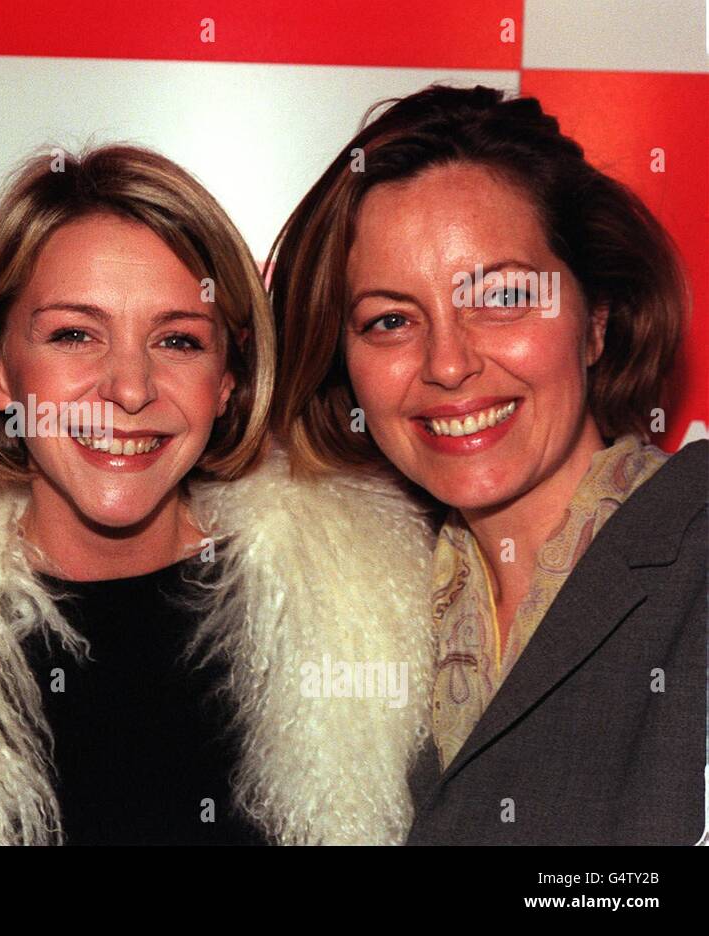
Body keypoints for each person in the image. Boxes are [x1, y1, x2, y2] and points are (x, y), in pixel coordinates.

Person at [0, 144, 436, 845]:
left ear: (228, 381)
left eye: (178, 341)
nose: (130, 389)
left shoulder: (369, 607)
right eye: (75, 334)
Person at [267, 84, 706, 844]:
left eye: (502, 296)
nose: (447, 363)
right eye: (390, 320)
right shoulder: (341, 622)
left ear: (596, 319)